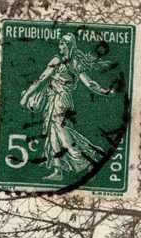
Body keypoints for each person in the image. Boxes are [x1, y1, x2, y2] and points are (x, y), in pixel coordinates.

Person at [19, 32, 116, 181]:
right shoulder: (56, 60)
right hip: (51, 100)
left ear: (70, 46)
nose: (61, 46)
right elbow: (41, 79)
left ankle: (86, 162)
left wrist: (105, 91)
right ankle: (59, 170)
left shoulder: (74, 63)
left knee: (61, 133)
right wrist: (26, 96)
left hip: (62, 101)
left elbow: (89, 83)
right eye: (60, 43)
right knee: (53, 134)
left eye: (64, 44)